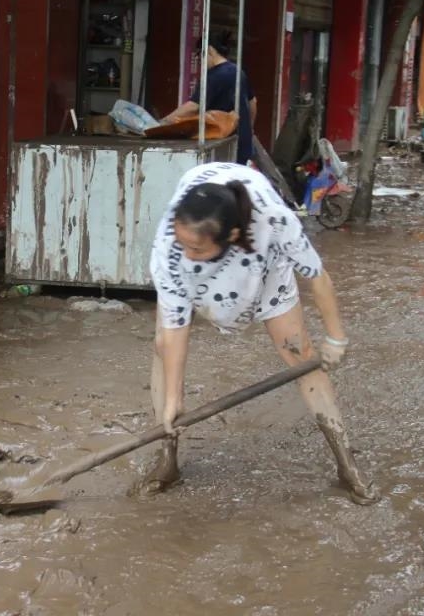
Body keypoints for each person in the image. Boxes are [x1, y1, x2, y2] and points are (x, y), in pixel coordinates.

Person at [144, 162, 380, 505]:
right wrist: (173, 401)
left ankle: (347, 465)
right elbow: (175, 329)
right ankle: (167, 459)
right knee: (163, 349)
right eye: (184, 245)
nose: (186, 253)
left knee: (301, 354)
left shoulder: (275, 220)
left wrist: (336, 338)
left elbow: (317, 276)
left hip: (264, 265)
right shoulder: (171, 248)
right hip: (193, 274)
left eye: (196, 249)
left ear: (233, 237)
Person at [162, 33, 258, 165]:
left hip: (223, 148)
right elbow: (253, 103)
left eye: (201, 56)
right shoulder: (238, 71)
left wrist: (165, 121)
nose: (201, 63)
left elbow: (193, 107)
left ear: (210, 50)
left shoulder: (213, 76)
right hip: (243, 145)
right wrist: (249, 129)